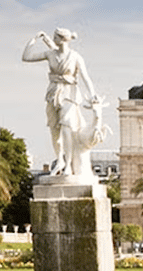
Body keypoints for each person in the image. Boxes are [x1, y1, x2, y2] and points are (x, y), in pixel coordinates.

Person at [22, 28, 98, 175]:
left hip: (69, 93)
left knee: (66, 128)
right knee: (54, 130)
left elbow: (85, 77)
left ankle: (68, 165)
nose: (53, 38)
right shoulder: (50, 54)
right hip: (53, 93)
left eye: (55, 37)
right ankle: (60, 160)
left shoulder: (75, 57)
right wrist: (34, 40)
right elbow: (26, 57)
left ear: (62, 39)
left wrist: (93, 94)